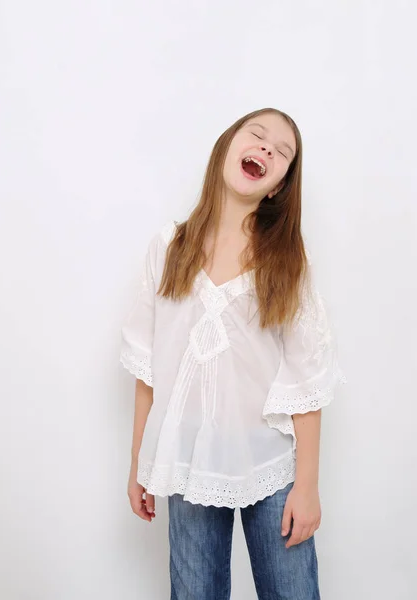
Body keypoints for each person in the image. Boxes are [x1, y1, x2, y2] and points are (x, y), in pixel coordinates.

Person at [119, 107, 345, 599]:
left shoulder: (286, 261)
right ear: (226, 147)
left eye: (281, 152)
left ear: (278, 186)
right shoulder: (169, 247)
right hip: (188, 460)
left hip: (270, 464)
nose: (266, 148)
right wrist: (140, 462)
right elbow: (147, 369)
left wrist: (306, 487)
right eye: (257, 136)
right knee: (195, 592)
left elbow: (308, 379)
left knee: (291, 592)